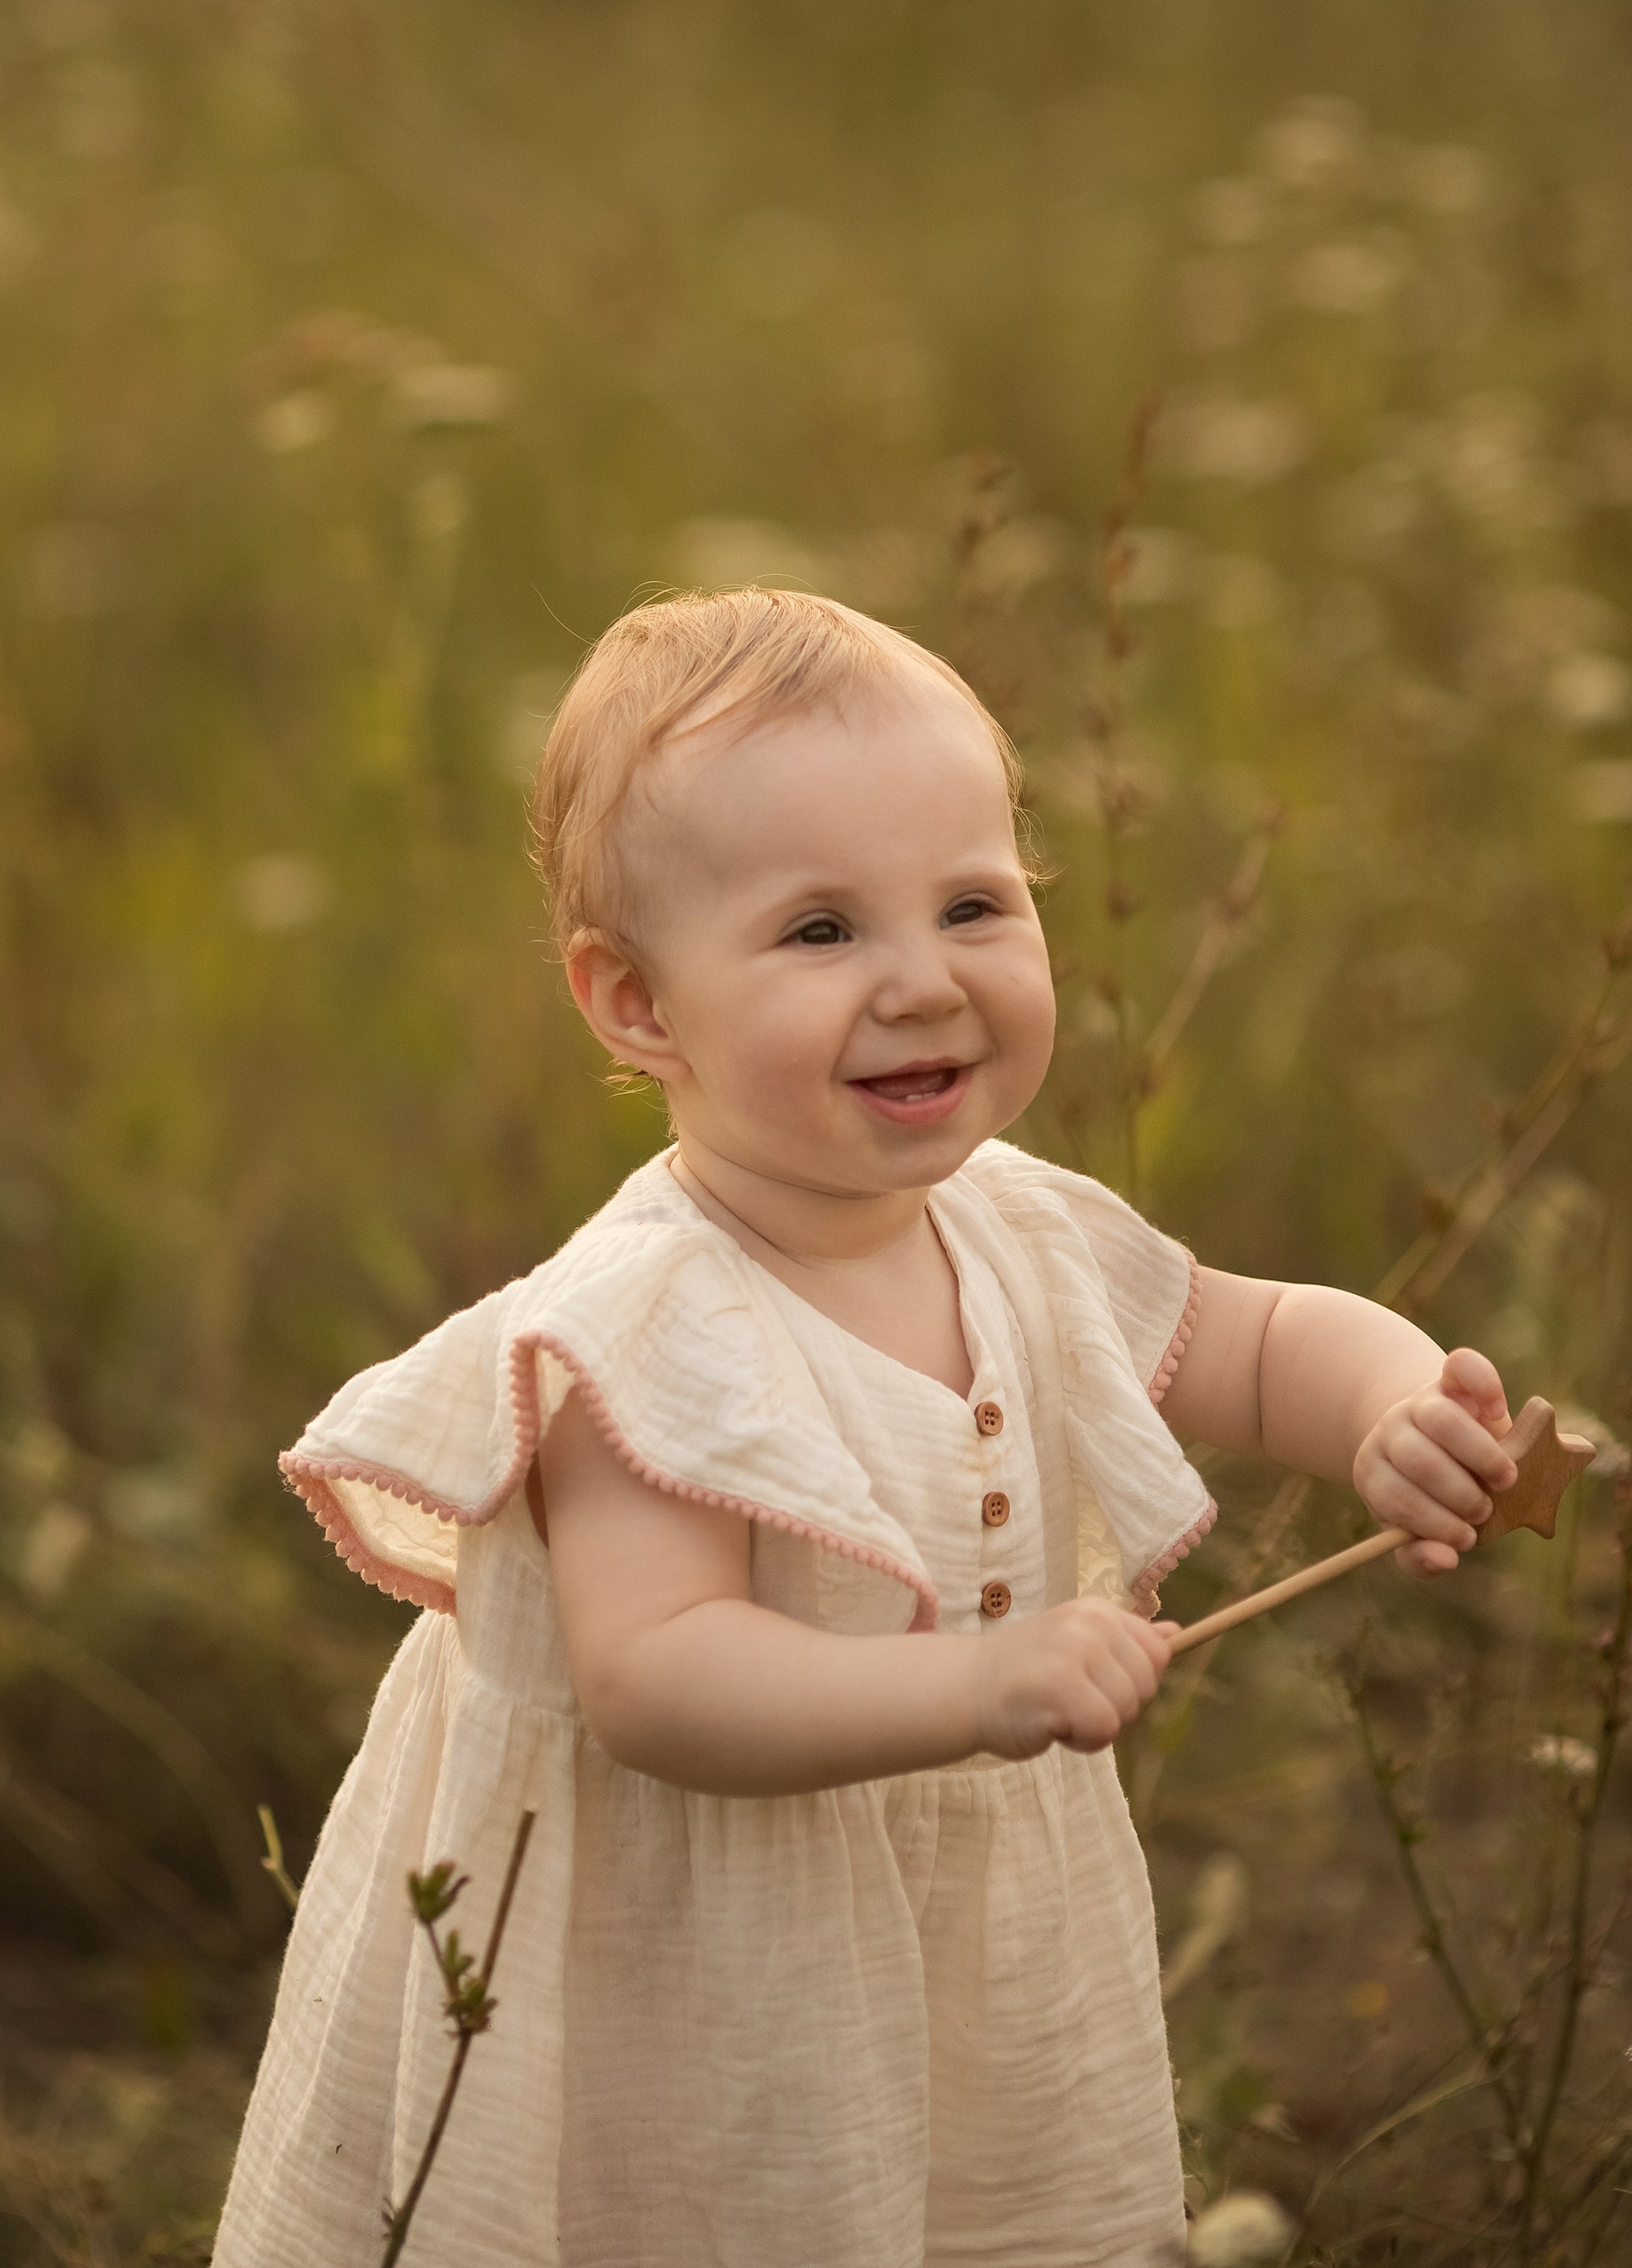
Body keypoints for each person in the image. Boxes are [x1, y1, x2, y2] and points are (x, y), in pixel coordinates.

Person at [213, 588, 1519, 2268]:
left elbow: (1256, 1342)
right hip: (682, 1970)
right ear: (635, 1005)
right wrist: (973, 1686)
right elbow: (657, 1676)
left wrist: (1389, 1405)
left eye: (972, 905)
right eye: (820, 933)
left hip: (957, 1957)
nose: (922, 984)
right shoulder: (644, 1336)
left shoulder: (1022, 1231)